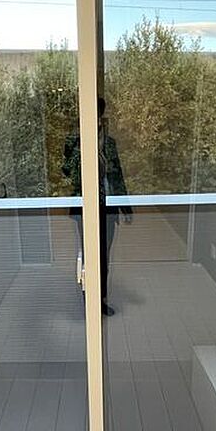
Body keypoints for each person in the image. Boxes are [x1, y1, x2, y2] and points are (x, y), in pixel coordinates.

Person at [62, 97, 132, 316]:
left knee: (104, 255)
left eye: (98, 114)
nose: (96, 119)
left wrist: (126, 207)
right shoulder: (73, 141)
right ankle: (88, 300)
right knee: (89, 253)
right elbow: (67, 172)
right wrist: (81, 143)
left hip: (107, 207)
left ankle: (99, 300)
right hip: (84, 207)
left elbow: (117, 175)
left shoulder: (109, 143)